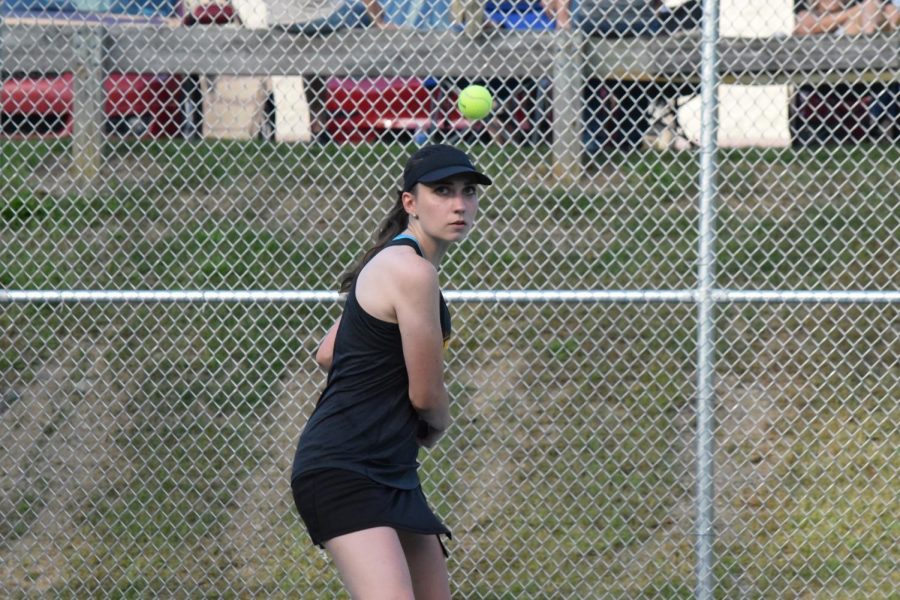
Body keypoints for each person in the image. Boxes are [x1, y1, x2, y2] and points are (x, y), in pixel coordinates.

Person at [290, 144, 491, 599]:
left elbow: (327, 353)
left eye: (468, 192)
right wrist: (437, 426)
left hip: (391, 469)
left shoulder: (394, 263)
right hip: (343, 468)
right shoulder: (412, 272)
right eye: (441, 191)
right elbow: (426, 395)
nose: (459, 204)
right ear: (409, 203)